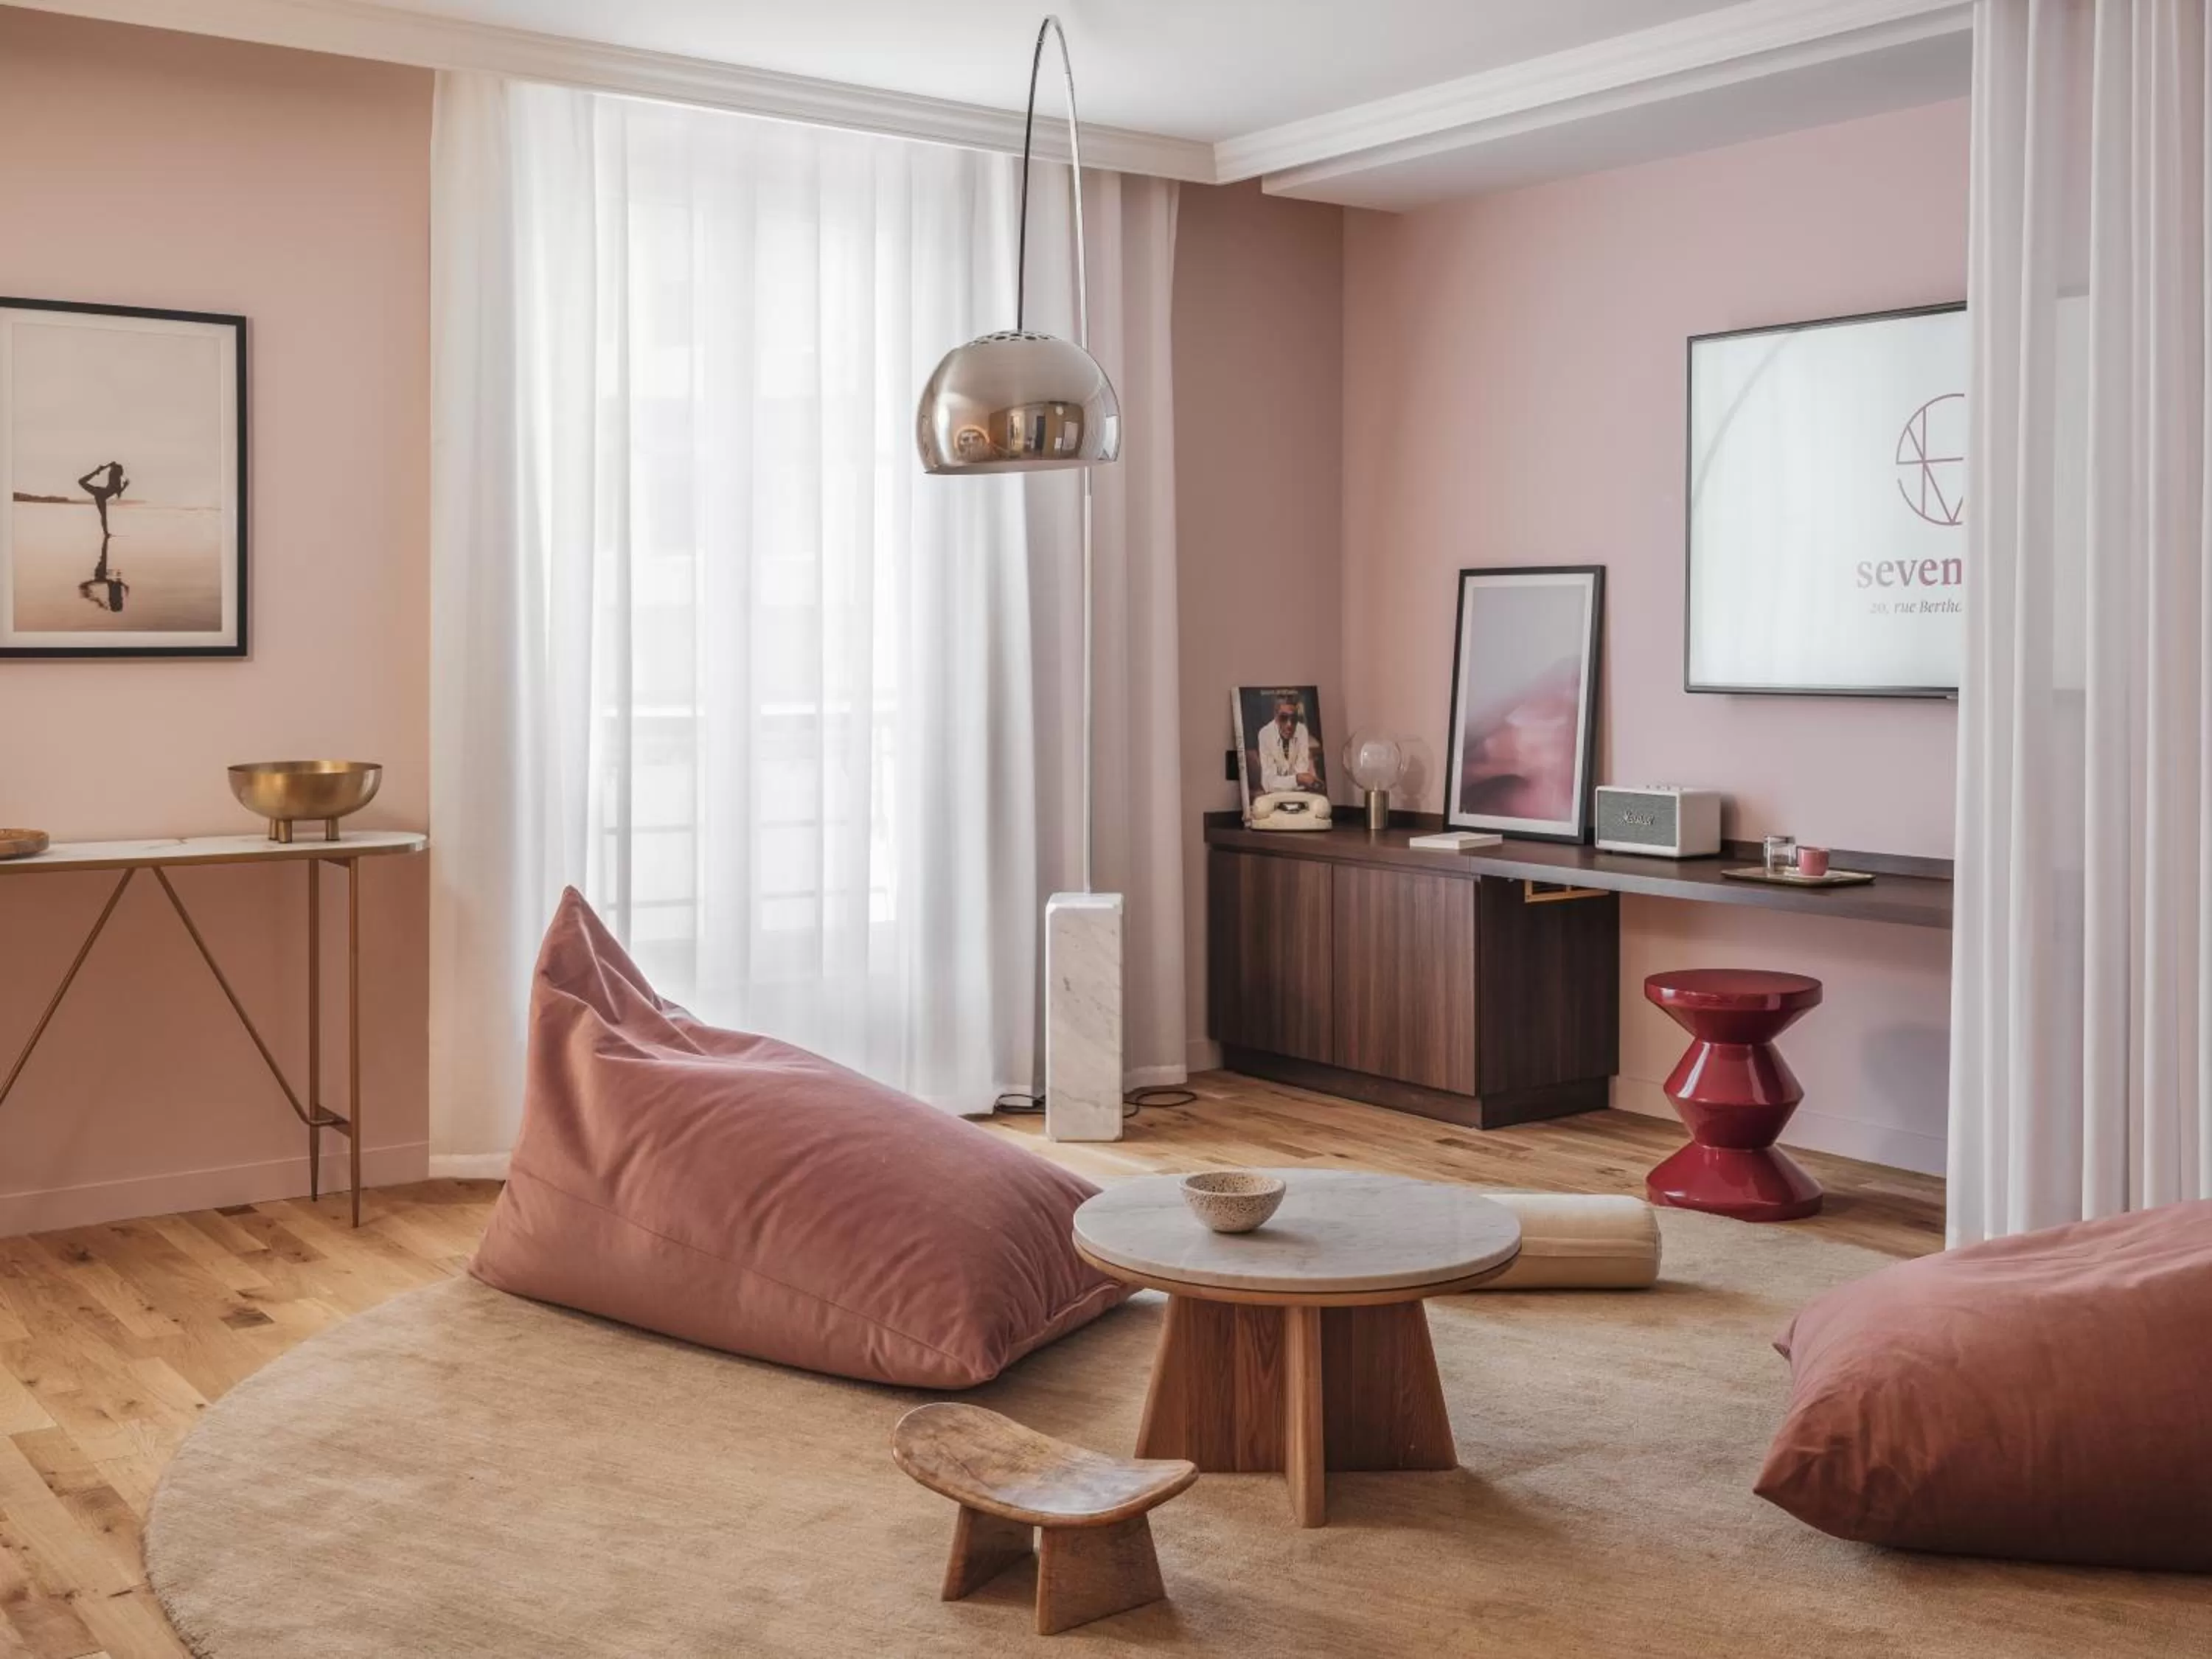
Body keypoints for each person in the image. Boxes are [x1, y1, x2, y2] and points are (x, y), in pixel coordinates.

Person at [1256, 696, 1319, 794]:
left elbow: (1302, 772)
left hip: (1299, 793)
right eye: (1284, 718)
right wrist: (1298, 779)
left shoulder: (1301, 731)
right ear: (1276, 717)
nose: (1289, 725)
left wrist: (1286, 781)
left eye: (1294, 719)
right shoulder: (1265, 734)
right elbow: (1268, 784)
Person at [77, 461, 128, 538]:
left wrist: (105, 467)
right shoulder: (116, 480)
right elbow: (119, 495)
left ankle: (106, 533)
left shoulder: (113, 477)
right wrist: (125, 486)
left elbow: (118, 494)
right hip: (100, 494)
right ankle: (106, 533)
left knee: (104, 516)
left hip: (100, 495)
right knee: (104, 516)